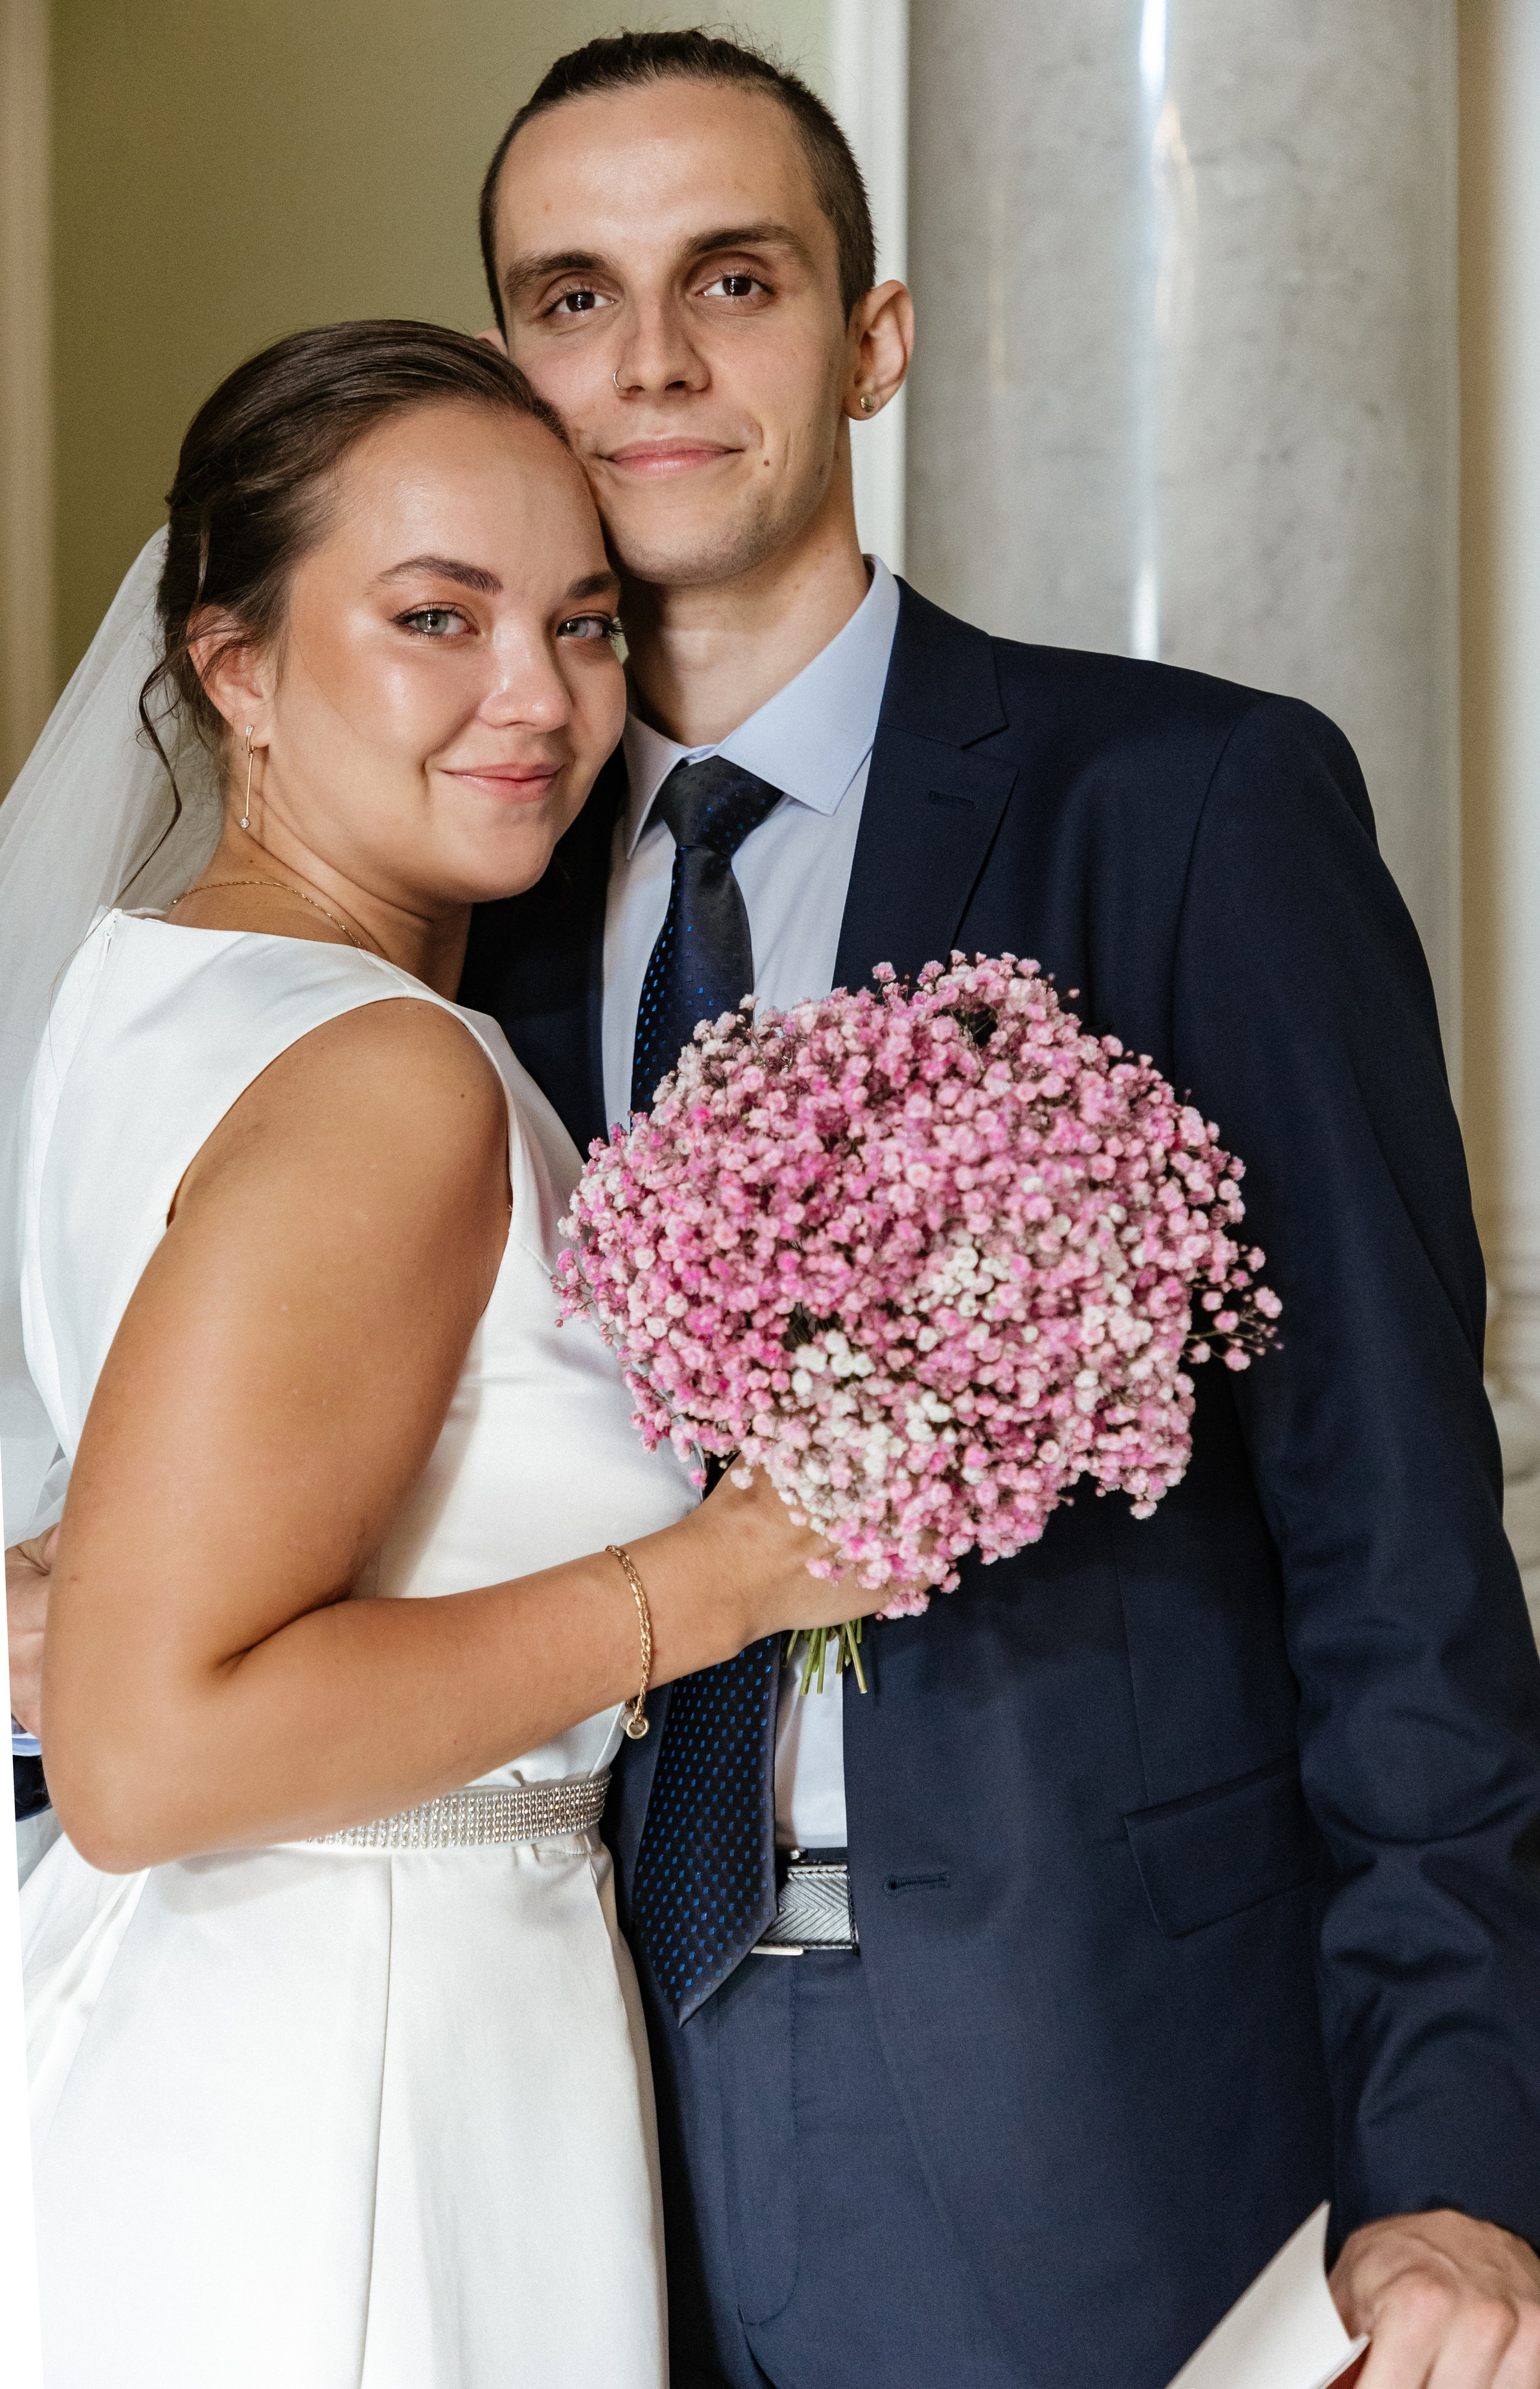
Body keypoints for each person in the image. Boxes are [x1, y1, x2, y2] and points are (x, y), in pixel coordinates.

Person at [7, 30, 1540, 2389]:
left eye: (731, 280)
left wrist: (1454, 2169)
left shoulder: (1188, 808)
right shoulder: (452, 917)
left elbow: (1400, 1545)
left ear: (874, 338)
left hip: (1088, 2106)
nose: (648, 360)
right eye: (572, 297)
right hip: (566, 2086)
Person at [2, 317, 875, 2388]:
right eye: (433, 618)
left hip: (264, 2011)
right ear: (233, 667)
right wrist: (730, 1574)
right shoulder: (385, 1075)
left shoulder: (148, 987)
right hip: (349, 2067)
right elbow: (147, 1756)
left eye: (582, 623)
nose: (539, 697)